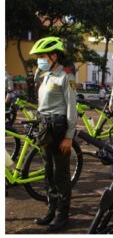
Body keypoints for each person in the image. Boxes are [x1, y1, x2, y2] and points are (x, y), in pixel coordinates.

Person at [29, 36, 77, 231]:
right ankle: (51, 211)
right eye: (38, 56)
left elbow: (72, 108)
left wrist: (69, 136)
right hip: (44, 127)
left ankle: (62, 216)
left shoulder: (66, 76)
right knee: (48, 172)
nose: (39, 59)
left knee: (61, 175)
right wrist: (42, 67)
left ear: (54, 56)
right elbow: (35, 79)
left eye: (42, 56)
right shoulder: (45, 75)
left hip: (59, 129)